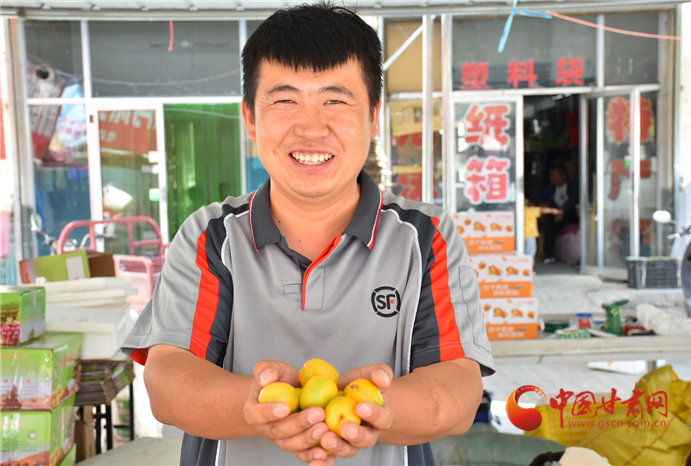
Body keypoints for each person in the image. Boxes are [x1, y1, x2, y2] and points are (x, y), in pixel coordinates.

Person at [120, 4, 495, 466]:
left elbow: (457, 387)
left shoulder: (424, 238)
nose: (311, 128)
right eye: (285, 100)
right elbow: (168, 382)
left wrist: (378, 410)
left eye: (335, 100)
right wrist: (258, 407)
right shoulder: (211, 236)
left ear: (374, 116)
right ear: (251, 119)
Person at [534, 163, 579, 263]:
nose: (552, 178)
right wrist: (542, 203)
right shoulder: (552, 187)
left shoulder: (572, 185)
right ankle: (548, 254)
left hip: (571, 214)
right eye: (551, 175)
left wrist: (563, 210)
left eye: (554, 175)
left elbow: (573, 200)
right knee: (547, 225)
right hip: (557, 215)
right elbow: (539, 195)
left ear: (563, 175)